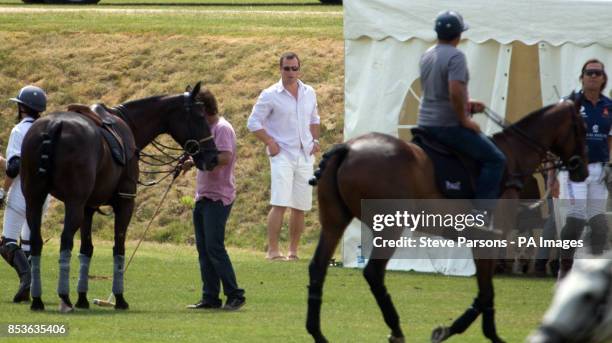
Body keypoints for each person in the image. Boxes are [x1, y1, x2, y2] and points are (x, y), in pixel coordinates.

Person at [417, 10, 506, 219]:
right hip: (446, 125)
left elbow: (437, 92)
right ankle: (480, 216)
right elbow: (454, 89)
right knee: (496, 159)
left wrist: (467, 104)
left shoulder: (427, 54)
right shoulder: (456, 56)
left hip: (424, 122)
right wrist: (464, 119)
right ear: (459, 35)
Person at [247, 52, 320, 261]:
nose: (291, 72)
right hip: (282, 155)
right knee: (280, 202)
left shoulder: (309, 92)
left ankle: (293, 252)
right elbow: (253, 122)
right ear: (280, 69)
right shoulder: (270, 94)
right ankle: (272, 251)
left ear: (299, 69)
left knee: (300, 206)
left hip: (305, 156)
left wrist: (314, 141)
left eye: (294, 68)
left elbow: (314, 118)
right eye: (287, 68)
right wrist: (270, 142)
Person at [184, 88, 245, 311]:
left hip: (219, 197)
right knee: (203, 249)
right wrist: (192, 161)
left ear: (204, 109)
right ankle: (210, 296)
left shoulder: (222, 129)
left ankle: (235, 295)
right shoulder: (206, 129)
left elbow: (226, 157)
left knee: (214, 247)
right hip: (203, 196)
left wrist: (201, 160)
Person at [554, 58, 612, 280]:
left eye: (598, 73)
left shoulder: (609, 106)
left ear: (604, 78)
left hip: (599, 171)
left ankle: (593, 275)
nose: (593, 76)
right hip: (574, 171)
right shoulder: (569, 103)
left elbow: (609, 140)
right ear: (582, 76)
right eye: (589, 72)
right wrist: (552, 177)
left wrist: (608, 165)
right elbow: (555, 139)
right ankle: (565, 271)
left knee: (599, 225)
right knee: (576, 219)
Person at [0, 85, 47, 303]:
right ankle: (30, 285)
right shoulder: (48, 130)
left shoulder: (19, 130)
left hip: (21, 191)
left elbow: (14, 167)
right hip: (44, 195)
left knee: (7, 242)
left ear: (21, 107)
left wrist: (3, 189)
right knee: (28, 242)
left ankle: (26, 278)